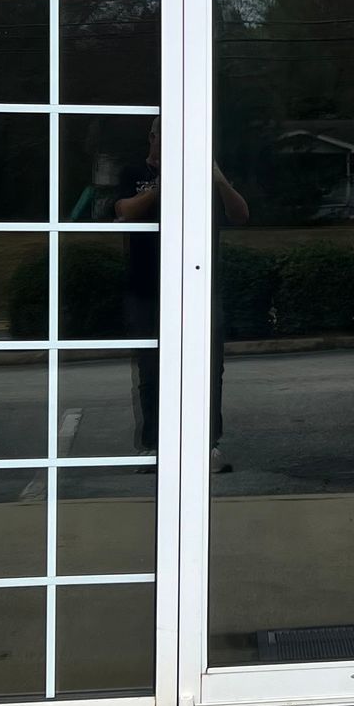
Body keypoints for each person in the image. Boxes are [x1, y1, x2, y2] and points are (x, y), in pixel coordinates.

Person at [110, 119, 250, 457]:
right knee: (151, 367)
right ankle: (154, 445)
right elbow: (124, 211)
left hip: (198, 287)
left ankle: (207, 442)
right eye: (163, 136)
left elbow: (240, 214)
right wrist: (163, 184)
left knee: (208, 365)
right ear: (152, 138)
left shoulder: (203, 176)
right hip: (146, 287)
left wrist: (218, 179)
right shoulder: (133, 173)